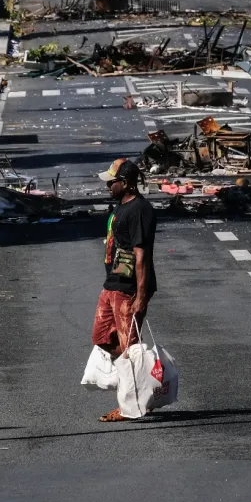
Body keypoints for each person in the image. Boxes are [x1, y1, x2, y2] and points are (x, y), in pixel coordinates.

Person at [93, 158, 157, 423]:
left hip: (129, 289)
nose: (109, 185)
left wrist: (140, 297)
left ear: (127, 183)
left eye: (113, 181)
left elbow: (141, 256)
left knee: (129, 348)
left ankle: (131, 404)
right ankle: (137, 381)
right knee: (101, 337)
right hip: (112, 286)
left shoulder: (140, 210)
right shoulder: (120, 207)